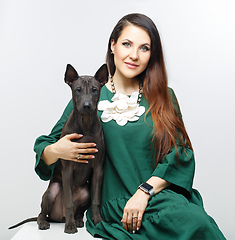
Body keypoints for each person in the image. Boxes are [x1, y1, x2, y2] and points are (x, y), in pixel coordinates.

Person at [34, 13, 226, 239]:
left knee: (195, 223)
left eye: (144, 48)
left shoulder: (163, 96)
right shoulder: (90, 97)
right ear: (113, 45)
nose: (134, 55)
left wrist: (144, 192)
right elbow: (47, 145)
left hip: (156, 196)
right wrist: (57, 150)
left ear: (151, 54)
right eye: (127, 44)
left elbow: (180, 154)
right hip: (115, 204)